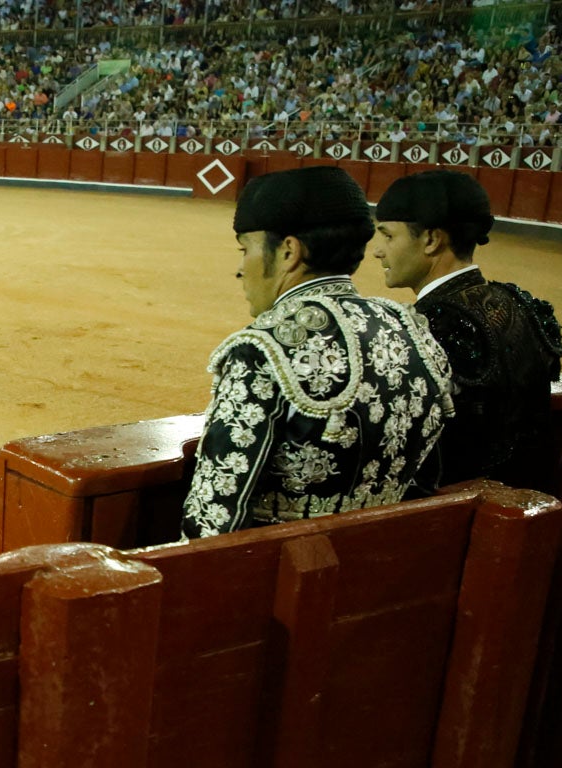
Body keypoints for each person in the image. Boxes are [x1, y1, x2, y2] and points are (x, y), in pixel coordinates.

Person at [181, 165, 455, 539]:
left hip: (285, 576)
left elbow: (214, 518)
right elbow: (424, 483)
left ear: (289, 251)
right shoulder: (408, 326)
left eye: (246, 249)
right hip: (386, 562)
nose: (240, 269)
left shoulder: (263, 349)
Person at [373, 169, 562, 490]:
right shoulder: (522, 304)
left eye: (389, 236)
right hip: (535, 497)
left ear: (432, 240)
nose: (378, 250)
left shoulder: (420, 326)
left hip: (449, 515)